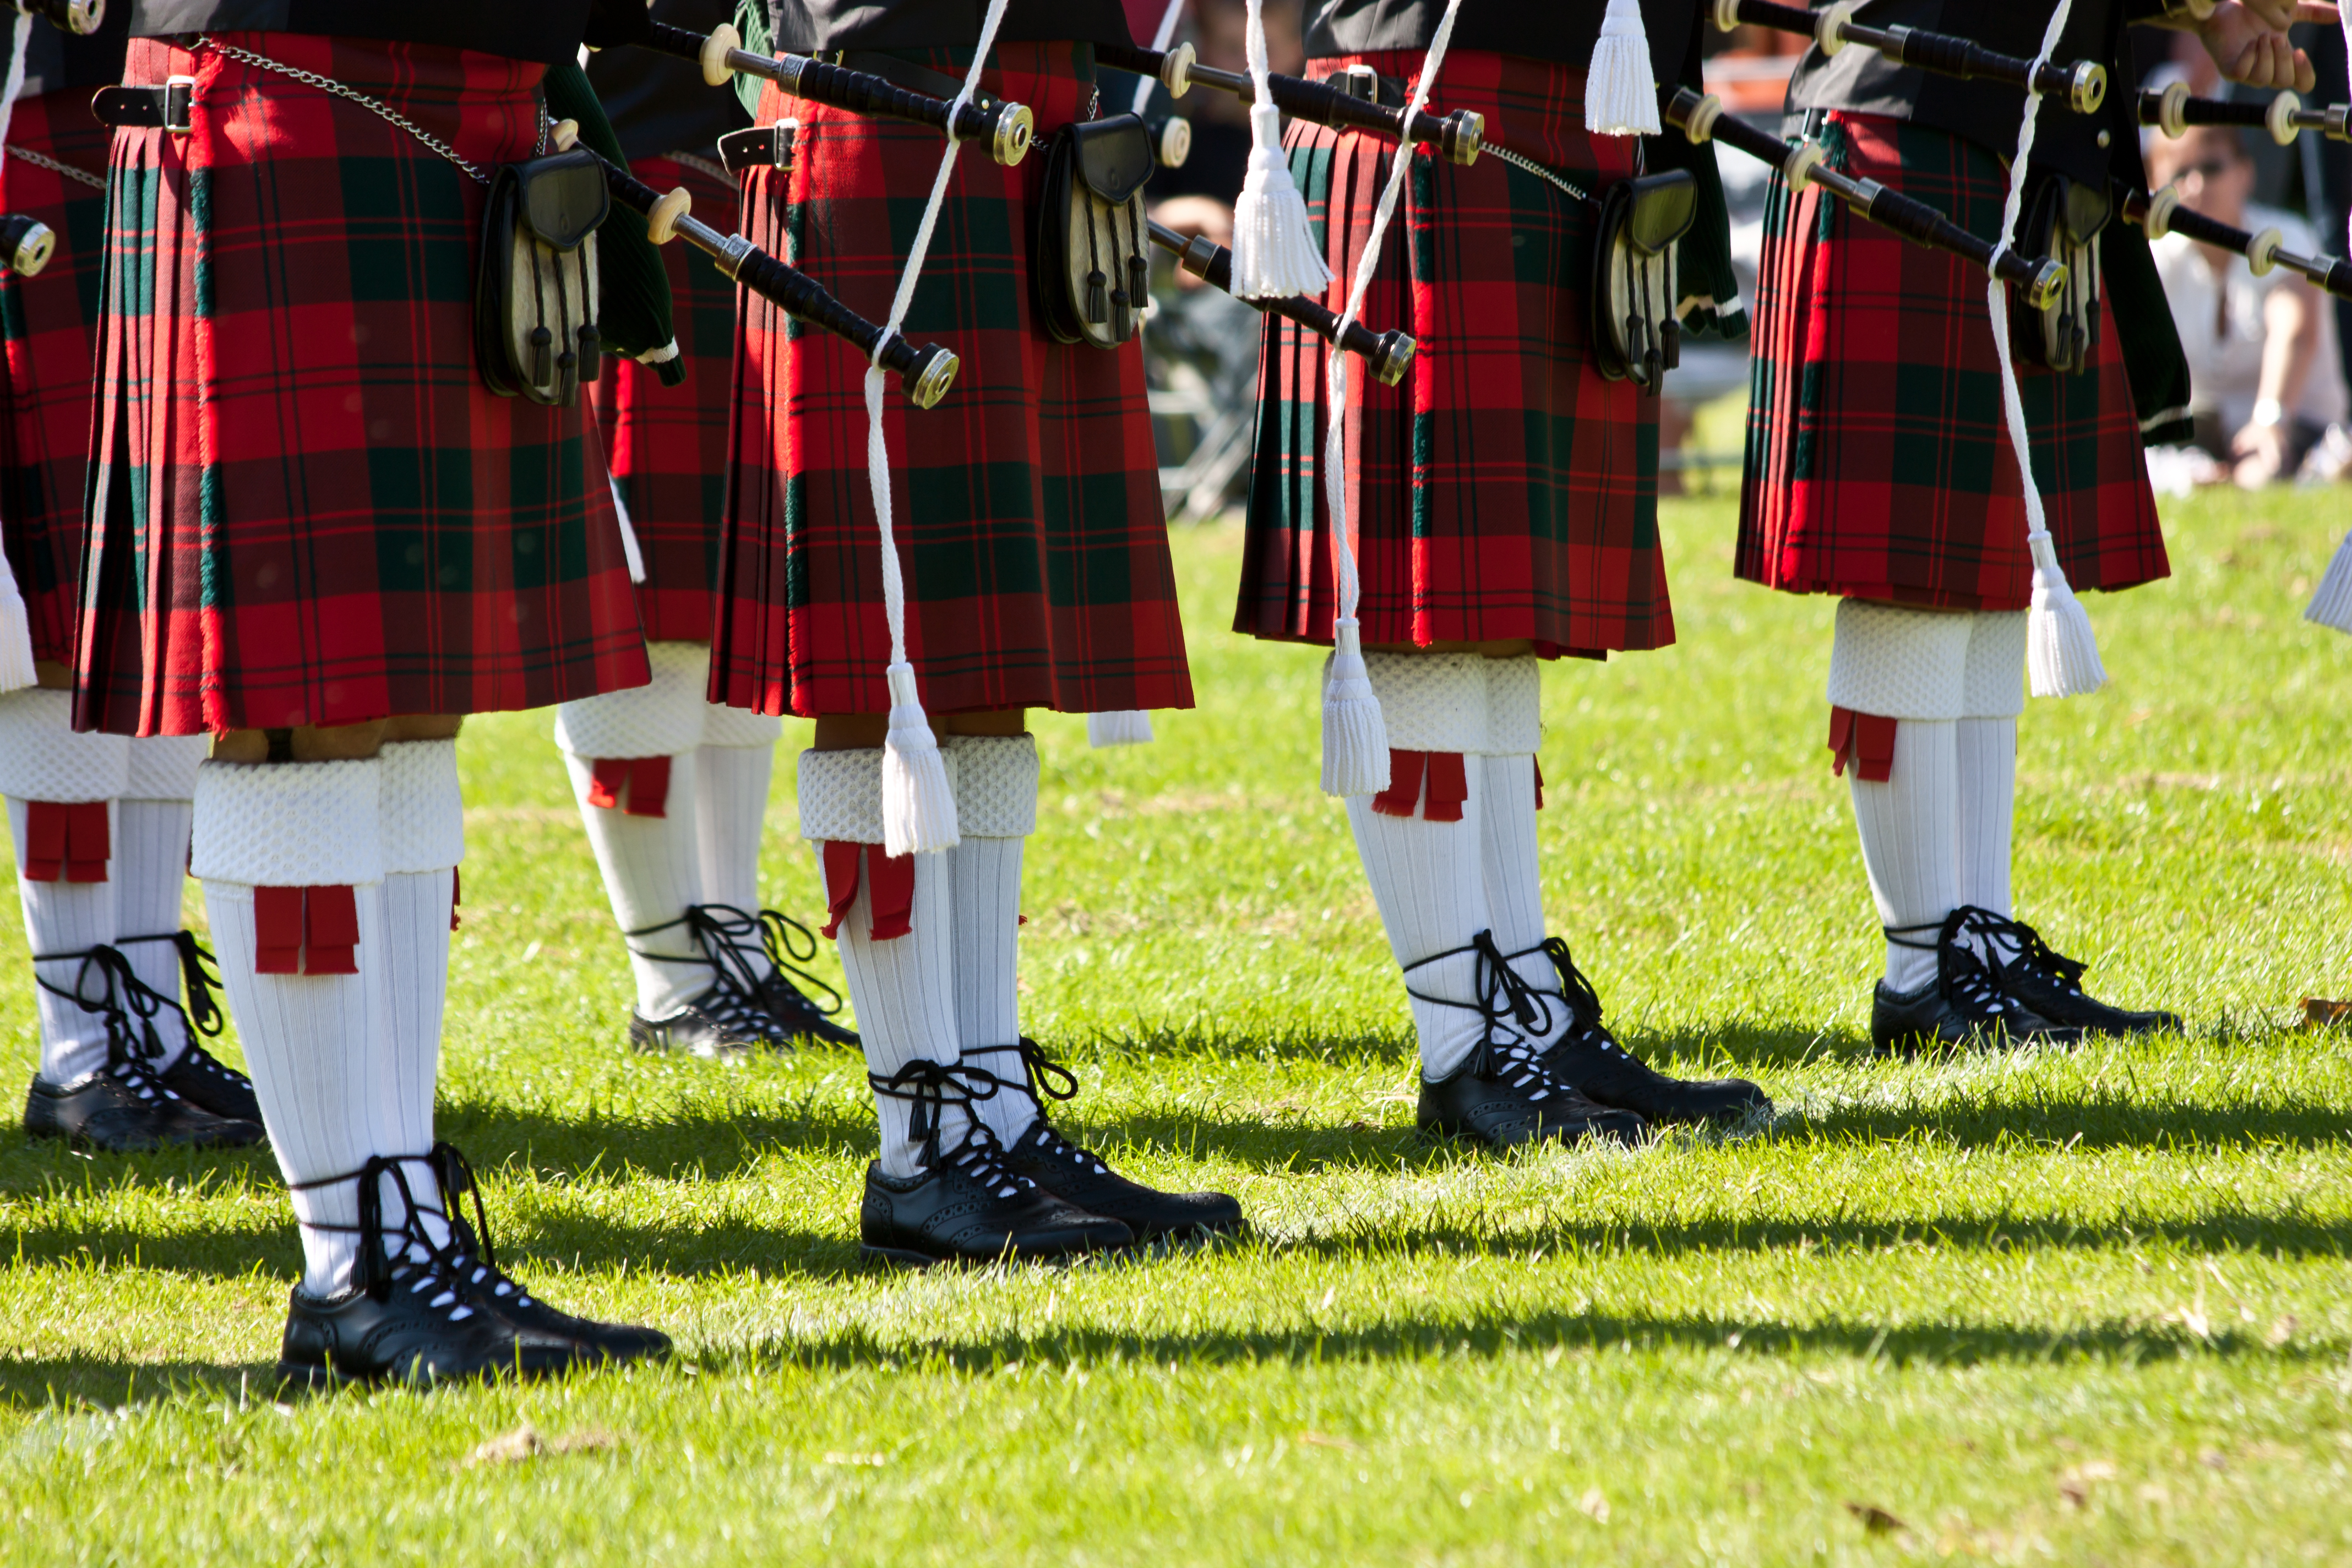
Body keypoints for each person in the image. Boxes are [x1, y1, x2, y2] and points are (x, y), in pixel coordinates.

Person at [73, 9, 667, 1383]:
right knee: (303, 707)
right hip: (285, 74)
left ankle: (407, 1218)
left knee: (413, 693)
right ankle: (349, 1260)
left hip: (467, 91)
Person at [712, 0, 1245, 1262]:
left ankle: (993, 1106)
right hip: (885, 91)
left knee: (989, 659)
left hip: (1038, 95)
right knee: (882, 657)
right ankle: (921, 1146)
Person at [1235, 0, 1772, 1151]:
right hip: (1421, 99)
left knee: (1496, 609)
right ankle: (1463, 1048)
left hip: (1564, 106)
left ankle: (1526, 1001)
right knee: (1427, 606)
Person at [1744, 1, 2316, 1052]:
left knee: (1992, 563)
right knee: (1915, 570)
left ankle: (1975, 938)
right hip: (1905, 117)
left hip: (2026, 136)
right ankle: (1921, 969)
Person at [565, 3, 858, 1059]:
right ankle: (668, 978)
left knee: (737, 604)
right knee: (651, 614)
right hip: (633, 195)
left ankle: (728, 945)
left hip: (759, 194)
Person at [0, 7, 260, 1153]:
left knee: (146, 607)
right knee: (59, 626)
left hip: (159, 98)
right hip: (30, 112)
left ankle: (145, 1022)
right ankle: (82, 1051)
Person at [2143, 123, 2346, 486]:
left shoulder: (2285, 239)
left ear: (2245, 173)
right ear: (2156, 187)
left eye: (2211, 168)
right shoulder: (2158, 259)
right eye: (2180, 175)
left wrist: (2269, 421)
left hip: (2298, 421)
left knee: (2259, 476)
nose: (2196, 186)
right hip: (2207, 428)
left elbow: (2294, 334)